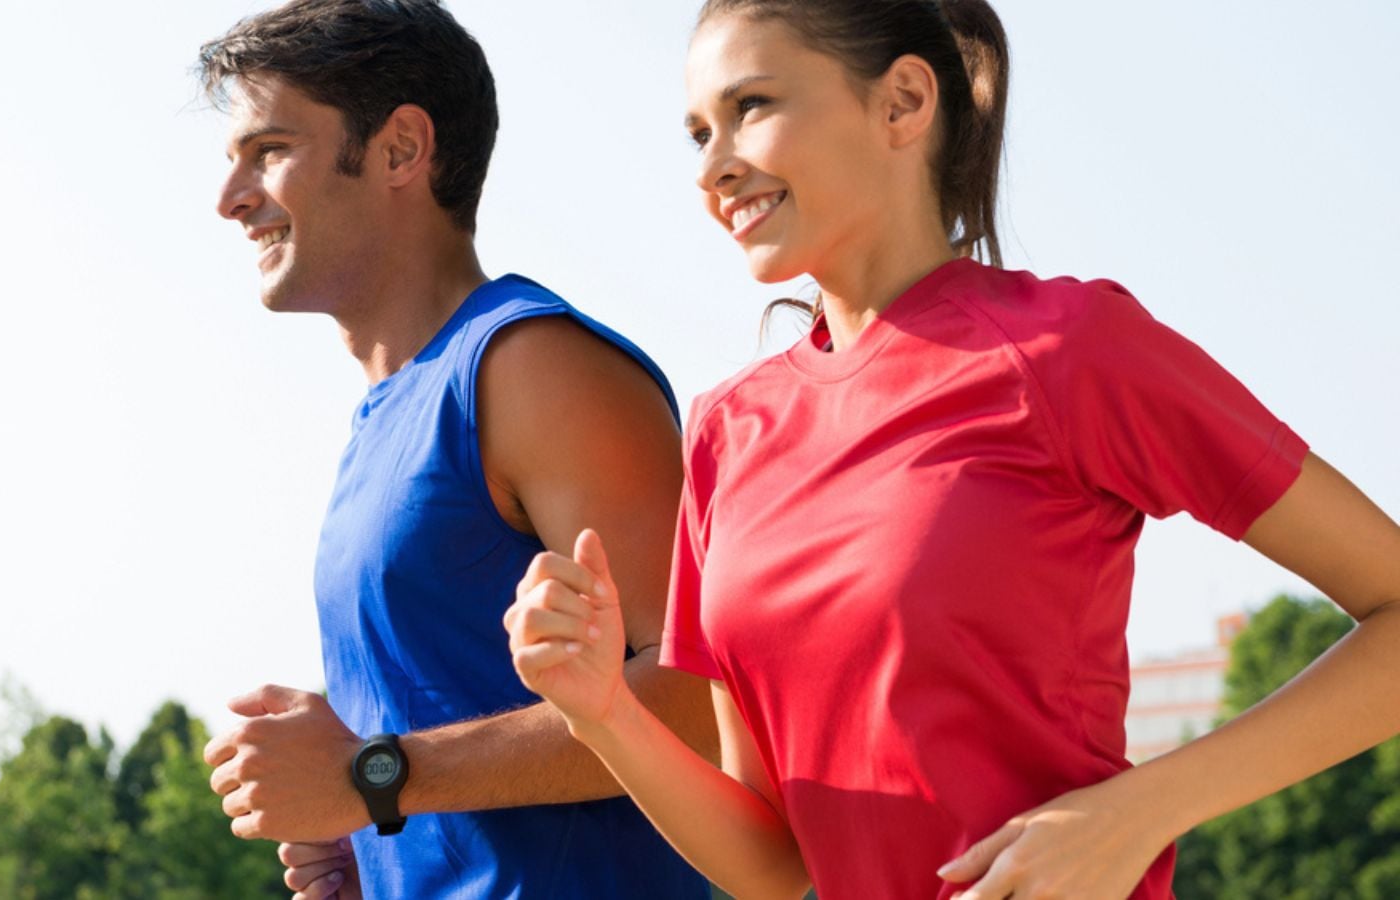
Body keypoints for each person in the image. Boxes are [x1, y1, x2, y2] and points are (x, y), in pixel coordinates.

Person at [504, 1, 1400, 897]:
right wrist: (605, 712)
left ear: (902, 101)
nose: (713, 168)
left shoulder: (1068, 350)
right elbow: (773, 865)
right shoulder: (725, 432)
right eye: (699, 132)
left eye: (752, 107)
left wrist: (1138, 812)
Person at [193, 1, 714, 898]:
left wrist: (372, 777)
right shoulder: (387, 414)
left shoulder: (530, 366)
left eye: (270, 150)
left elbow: (702, 700)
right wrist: (378, 845)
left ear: (401, 148)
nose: (231, 197)